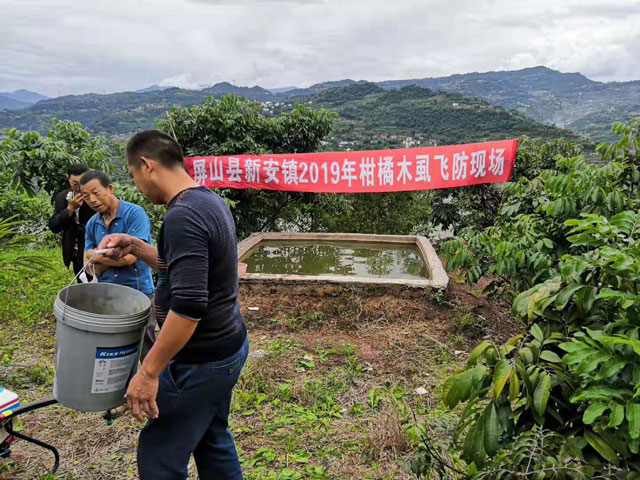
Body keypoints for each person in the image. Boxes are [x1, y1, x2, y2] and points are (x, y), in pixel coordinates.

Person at [97, 130, 248, 480]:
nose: (136, 186)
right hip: (227, 347)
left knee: (159, 455)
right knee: (211, 438)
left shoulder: (182, 217)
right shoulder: (207, 201)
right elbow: (180, 267)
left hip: (199, 360)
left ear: (147, 165)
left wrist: (148, 372)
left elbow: (189, 306)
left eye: (133, 175)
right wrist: (135, 244)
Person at [79, 170, 157, 359]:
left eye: (96, 193)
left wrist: (96, 256)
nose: (92, 200)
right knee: (112, 345)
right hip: (108, 293)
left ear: (110, 188)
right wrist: (102, 258)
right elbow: (87, 263)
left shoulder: (134, 214)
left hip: (138, 290)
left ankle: (153, 384)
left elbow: (131, 258)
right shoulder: (92, 224)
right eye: (86, 196)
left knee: (145, 344)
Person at [48, 164, 95, 283]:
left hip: (95, 249)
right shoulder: (62, 197)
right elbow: (54, 226)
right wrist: (70, 209)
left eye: (83, 182)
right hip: (75, 250)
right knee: (82, 282)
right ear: (69, 181)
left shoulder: (96, 196)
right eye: (75, 183)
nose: (79, 187)